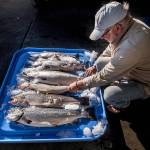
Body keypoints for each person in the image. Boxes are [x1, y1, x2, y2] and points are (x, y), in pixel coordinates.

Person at [68, 1, 150, 113]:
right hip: (130, 67)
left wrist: (79, 84)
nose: (102, 38)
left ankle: (122, 104)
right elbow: (111, 47)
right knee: (99, 62)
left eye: (103, 34)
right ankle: (121, 80)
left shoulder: (132, 45)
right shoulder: (127, 24)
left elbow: (105, 76)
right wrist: (94, 67)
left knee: (110, 95)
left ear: (117, 28)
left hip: (143, 81)